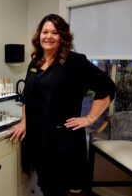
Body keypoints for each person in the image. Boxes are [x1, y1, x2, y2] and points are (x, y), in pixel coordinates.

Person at [10, 14, 116, 196]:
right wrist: (25, 121)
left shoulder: (74, 62)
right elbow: (28, 96)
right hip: (39, 138)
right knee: (45, 185)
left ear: (63, 37)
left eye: (55, 32)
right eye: (45, 32)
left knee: (57, 188)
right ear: (39, 35)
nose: (48, 36)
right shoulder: (35, 62)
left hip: (61, 140)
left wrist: (89, 118)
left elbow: (107, 88)